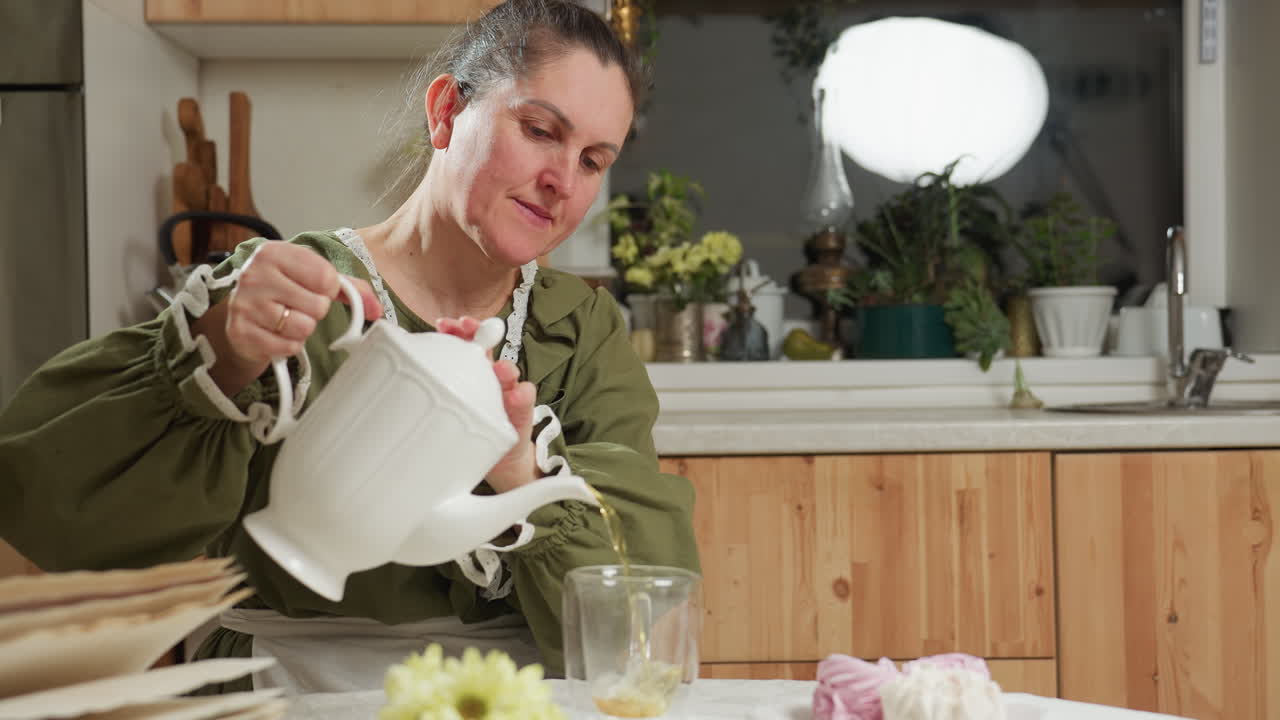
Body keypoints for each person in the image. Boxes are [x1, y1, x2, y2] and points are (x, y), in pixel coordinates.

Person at [0, 0, 699, 693]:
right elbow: (49, 503)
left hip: (506, 698)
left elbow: (636, 611)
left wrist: (519, 471)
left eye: (593, 160)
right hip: (284, 689)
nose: (562, 181)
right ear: (446, 112)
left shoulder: (581, 333)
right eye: (542, 130)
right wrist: (221, 353)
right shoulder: (283, 292)